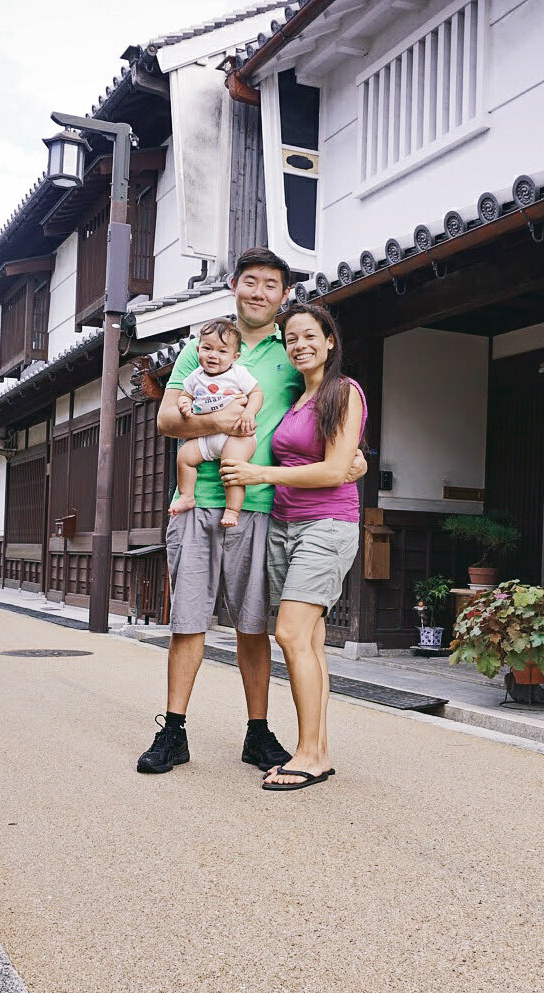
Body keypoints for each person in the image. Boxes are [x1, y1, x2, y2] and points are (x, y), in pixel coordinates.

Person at [137, 248, 365, 776]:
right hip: (200, 503)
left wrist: (351, 460)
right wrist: (221, 417)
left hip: (266, 508)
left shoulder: (294, 351)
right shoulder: (208, 345)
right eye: (250, 281)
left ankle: (258, 734)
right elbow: (168, 420)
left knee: (254, 625)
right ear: (234, 286)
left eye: (271, 284)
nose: (259, 292)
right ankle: (173, 731)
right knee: (188, 619)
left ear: (285, 295)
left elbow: (322, 416)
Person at [220, 302, 366, 790]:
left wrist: (259, 473)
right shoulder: (297, 399)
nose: (300, 345)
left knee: (289, 634)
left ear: (330, 342)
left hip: (326, 525)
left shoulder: (344, 393)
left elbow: (332, 470)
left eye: (310, 336)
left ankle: (307, 754)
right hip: (285, 525)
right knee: (311, 642)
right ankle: (319, 749)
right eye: (292, 339)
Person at [167, 318, 261, 528]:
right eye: (207, 348)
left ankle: (232, 509)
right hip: (206, 437)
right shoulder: (195, 376)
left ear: (234, 356)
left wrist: (250, 413)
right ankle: (187, 496)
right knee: (184, 457)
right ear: (198, 348)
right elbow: (185, 395)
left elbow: (256, 393)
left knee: (231, 468)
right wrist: (184, 404)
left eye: (222, 351)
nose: (213, 355)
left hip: (236, 437)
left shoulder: (238, 374)